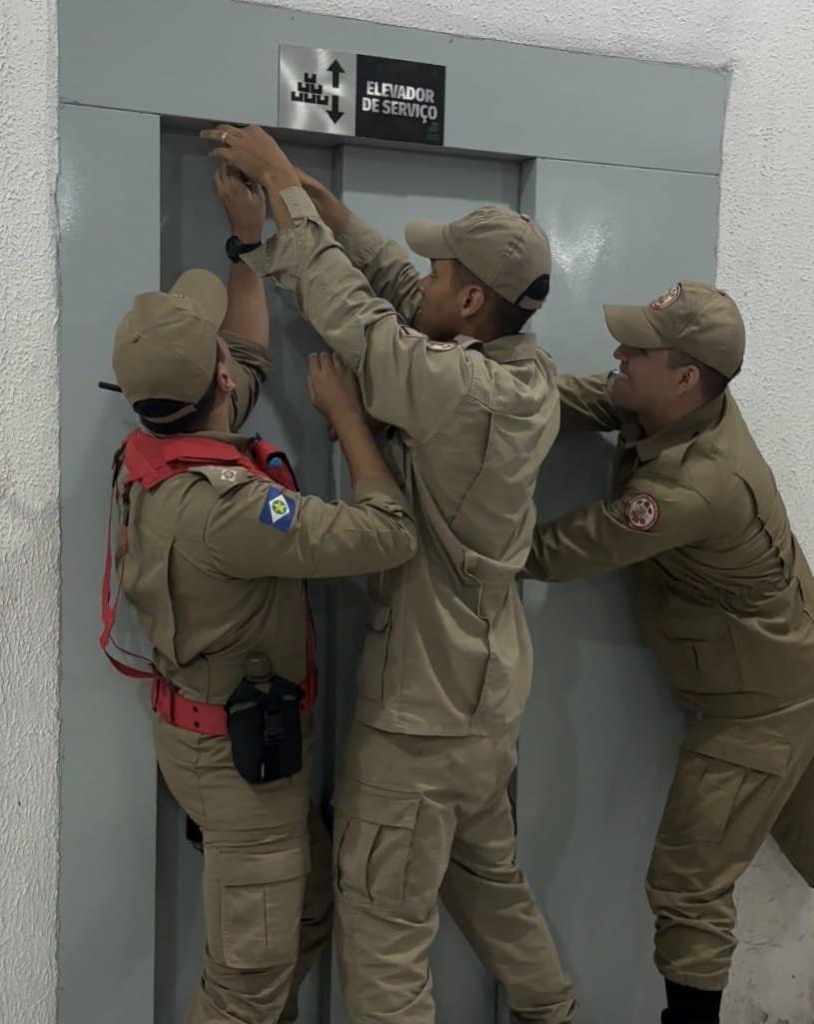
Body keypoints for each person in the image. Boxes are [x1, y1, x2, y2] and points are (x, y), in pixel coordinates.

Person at [204, 124, 577, 1023]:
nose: (431, 280)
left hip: (417, 724)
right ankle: (554, 1012)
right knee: (490, 886)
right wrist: (334, 213)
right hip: (482, 716)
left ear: (477, 301)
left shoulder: (462, 390)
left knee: (382, 937)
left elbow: (369, 333)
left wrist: (281, 207)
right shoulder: (524, 373)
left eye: (449, 273)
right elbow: (413, 299)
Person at [101, 166, 418, 1023]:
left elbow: (241, 354)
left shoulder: (155, 446)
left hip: (219, 739)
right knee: (246, 984)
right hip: (243, 768)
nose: (230, 366)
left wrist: (246, 242)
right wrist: (348, 422)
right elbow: (387, 533)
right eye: (217, 360)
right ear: (210, 386)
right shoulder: (231, 508)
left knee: (302, 919)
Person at [522, 280, 814, 1024]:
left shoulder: (695, 486)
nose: (619, 353)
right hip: (799, 665)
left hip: (764, 699)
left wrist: (444, 528)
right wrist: (479, 396)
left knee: (687, 883)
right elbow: (588, 397)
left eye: (639, 348)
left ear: (685, 376)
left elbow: (561, 550)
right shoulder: (675, 405)